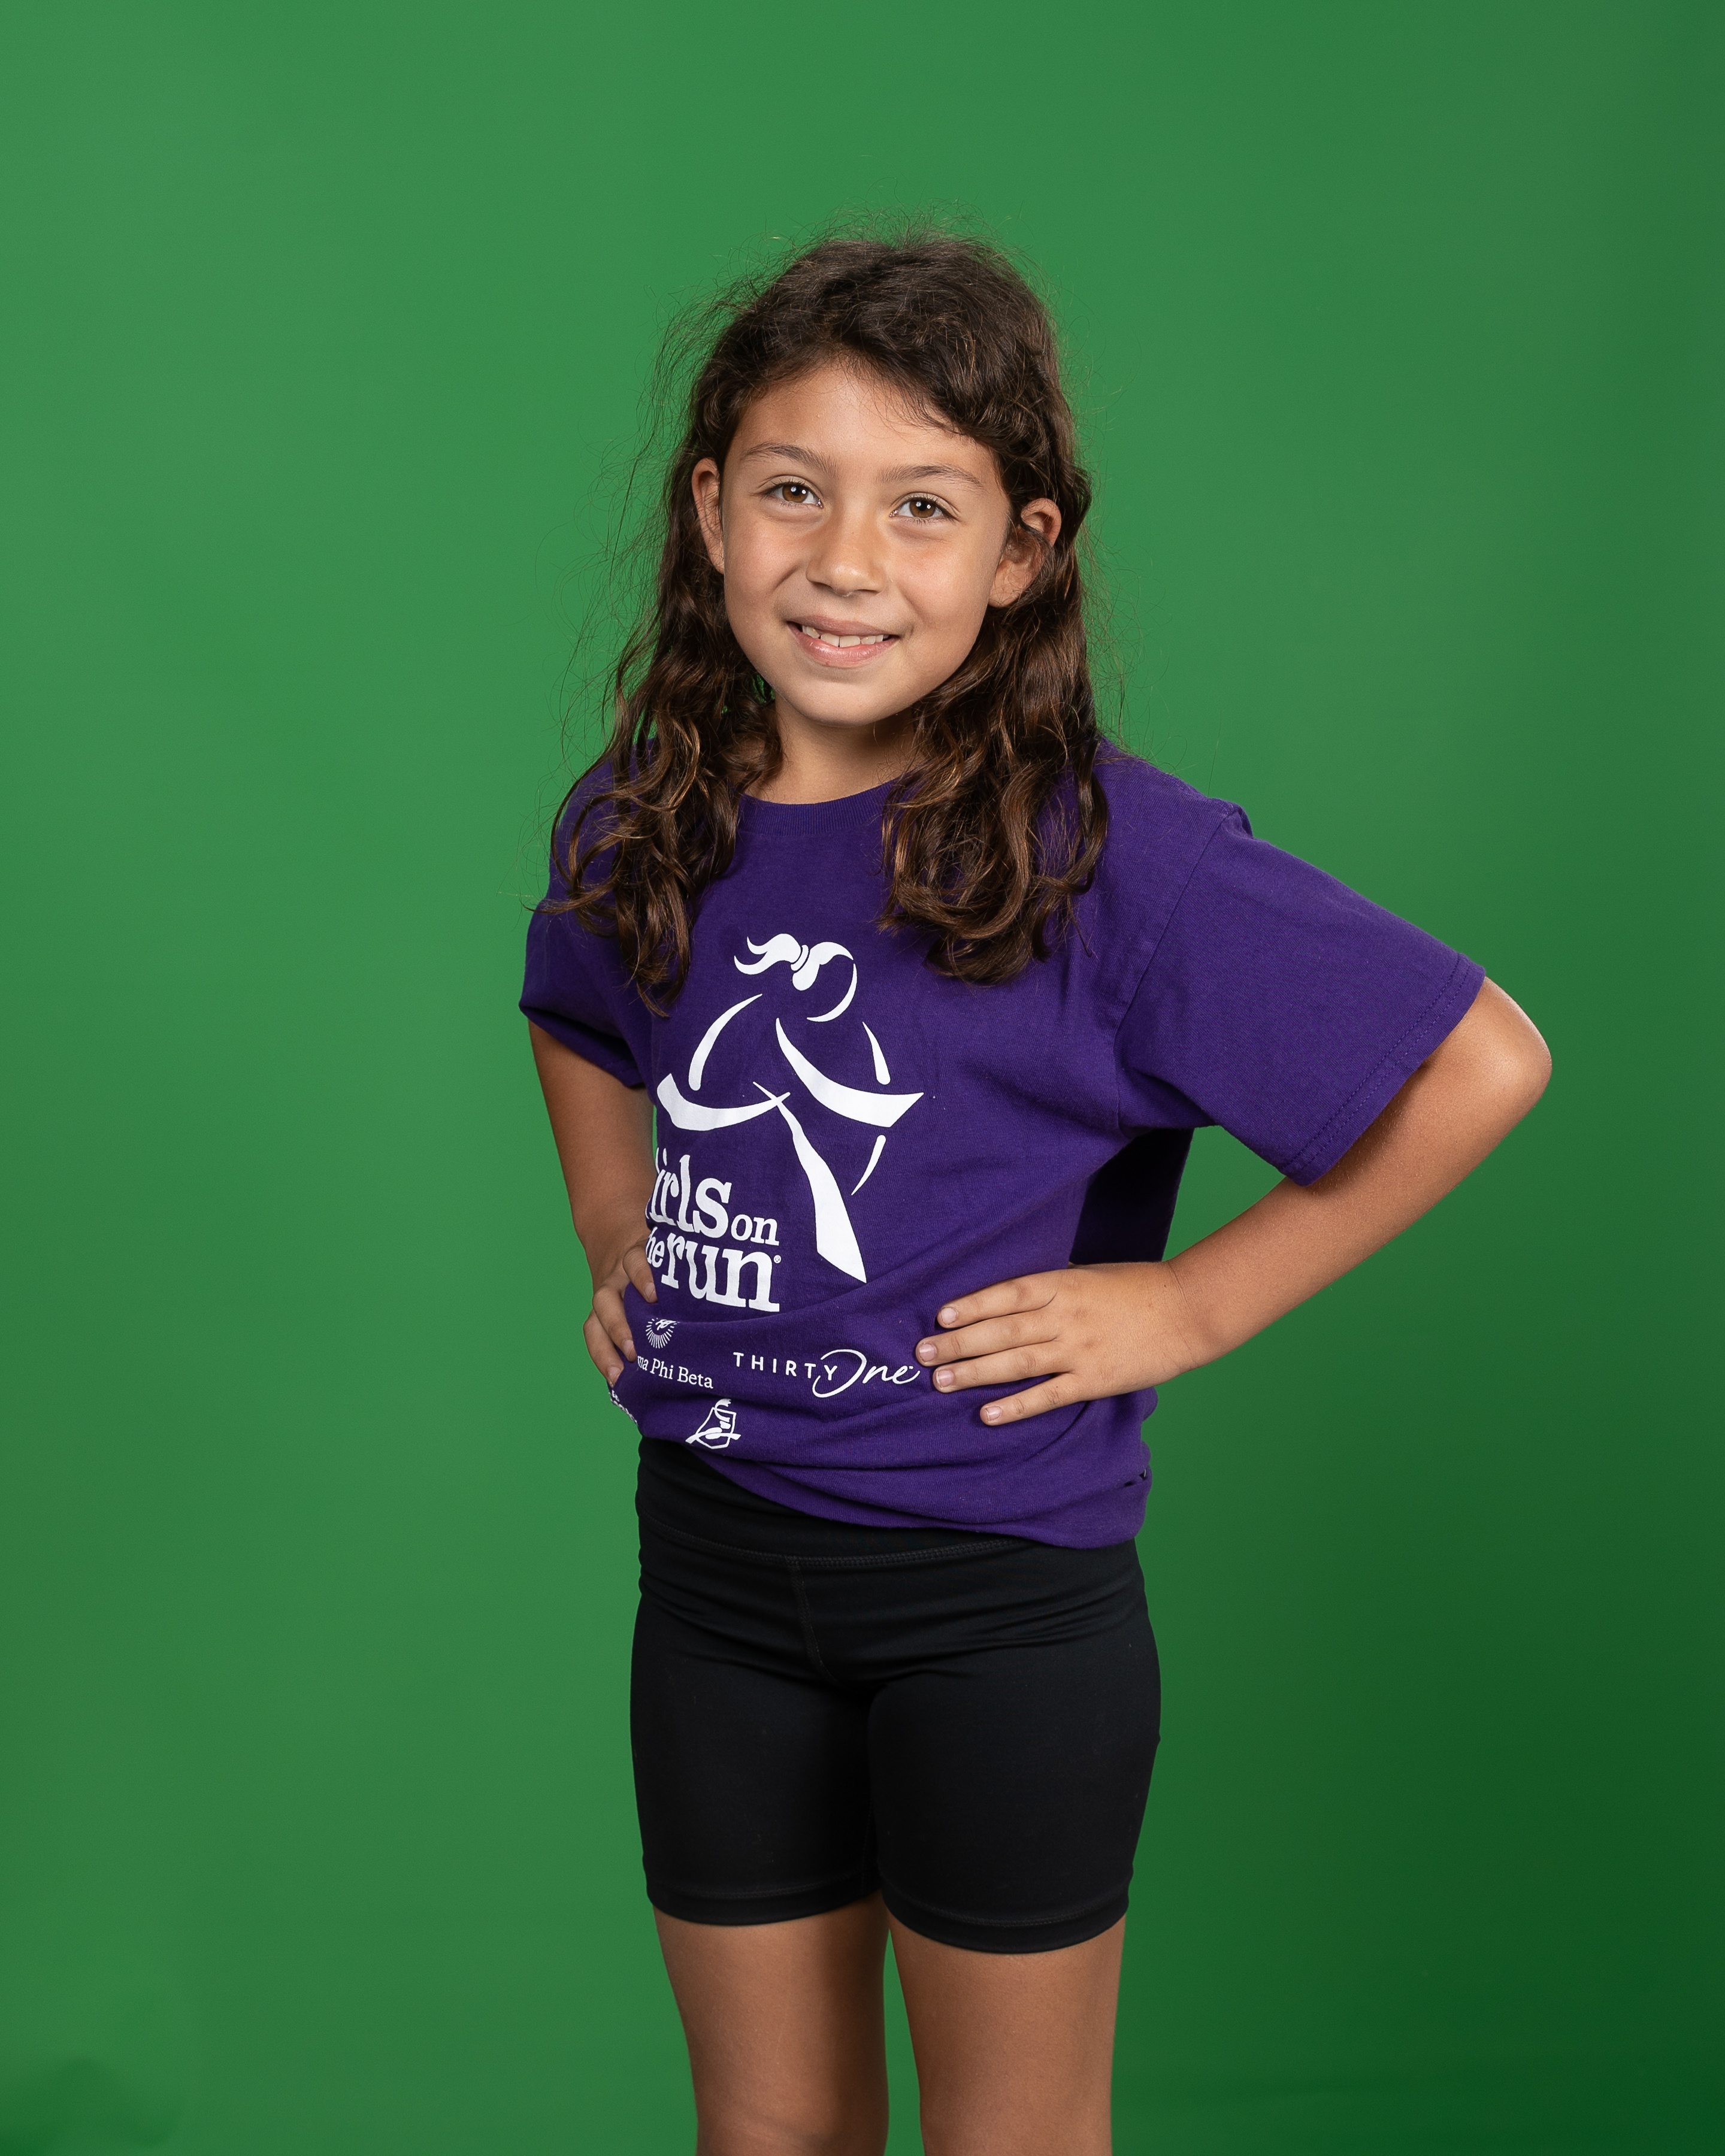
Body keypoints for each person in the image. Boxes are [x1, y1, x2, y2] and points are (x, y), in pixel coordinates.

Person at [521, 232, 1550, 2156]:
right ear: (711, 510)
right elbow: (578, 1010)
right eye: (794, 491)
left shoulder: (1112, 856)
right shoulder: (650, 806)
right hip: (715, 1587)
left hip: (995, 1606)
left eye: (923, 505)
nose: (846, 558)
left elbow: (1482, 1057)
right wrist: (613, 1222)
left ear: (1021, 551)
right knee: (768, 2132)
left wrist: (1195, 1302)